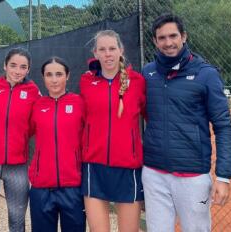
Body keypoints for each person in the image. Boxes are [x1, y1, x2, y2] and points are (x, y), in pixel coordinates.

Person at [141, 13, 231, 232]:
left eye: (173, 36)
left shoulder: (206, 75)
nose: (168, 42)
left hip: (193, 176)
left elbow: (223, 127)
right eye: (161, 38)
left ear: (184, 36)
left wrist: (223, 177)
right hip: (154, 172)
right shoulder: (148, 73)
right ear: (155, 41)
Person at [80, 30, 146, 232]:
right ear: (95, 53)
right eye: (102, 49)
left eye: (112, 48)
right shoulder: (86, 82)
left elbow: (150, 117)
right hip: (94, 167)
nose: (107, 54)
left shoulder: (137, 82)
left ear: (121, 50)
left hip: (128, 169)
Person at [0, 47, 40, 232]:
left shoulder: (33, 91)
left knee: (17, 221)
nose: (17, 71)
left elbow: (35, 124)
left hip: (17, 166)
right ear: (5, 65)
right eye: (13, 65)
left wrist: (18, 140)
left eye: (23, 67)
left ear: (28, 70)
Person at [28, 57, 86, 232]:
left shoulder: (80, 103)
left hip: (73, 186)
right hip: (41, 186)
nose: (54, 80)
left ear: (67, 76)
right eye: (49, 75)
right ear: (43, 77)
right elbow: (21, 133)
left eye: (59, 74)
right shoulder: (36, 105)